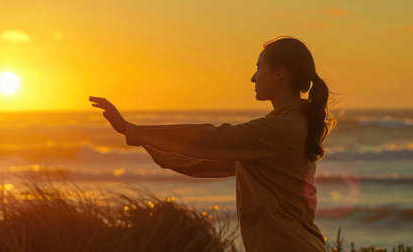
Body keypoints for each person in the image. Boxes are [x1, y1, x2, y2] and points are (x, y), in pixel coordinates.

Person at [89, 35, 337, 252]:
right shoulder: (285, 128)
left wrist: (132, 130)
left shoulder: (279, 130)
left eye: (259, 68)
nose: (253, 77)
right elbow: (202, 163)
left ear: (279, 73)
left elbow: (211, 137)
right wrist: (144, 140)